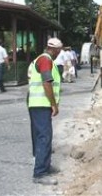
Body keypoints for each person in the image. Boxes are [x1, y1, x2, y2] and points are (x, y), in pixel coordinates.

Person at [28, 37, 63, 186]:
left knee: (42, 136)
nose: (59, 53)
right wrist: (53, 104)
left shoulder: (42, 59)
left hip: (38, 104)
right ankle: (40, 173)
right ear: (54, 49)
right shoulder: (45, 60)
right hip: (41, 104)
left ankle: (45, 165)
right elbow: (46, 83)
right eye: (59, 51)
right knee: (44, 137)